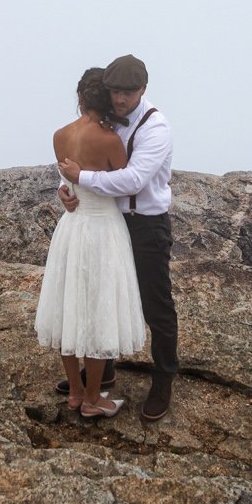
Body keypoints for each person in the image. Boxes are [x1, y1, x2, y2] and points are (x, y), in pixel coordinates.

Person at [56, 53, 177, 420]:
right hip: (108, 221)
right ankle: (102, 371)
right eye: (115, 92)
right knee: (102, 296)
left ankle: (164, 378)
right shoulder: (106, 120)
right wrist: (64, 191)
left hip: (145, 224)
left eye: (127, 93)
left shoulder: (156, 128)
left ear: (143, 89)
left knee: (156, 305)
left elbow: (133, 180)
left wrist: (81, 179)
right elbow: (78, 161)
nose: (120, 100)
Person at [34, 68, 149, 418]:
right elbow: (127, 184)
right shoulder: (110, 141)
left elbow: (69, 183)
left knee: (68, 306)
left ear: (81, 97)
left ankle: (75, 392)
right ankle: (93, 400)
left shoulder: (59, 135)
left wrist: (64, 192)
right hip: (103, 229)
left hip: (71, 226)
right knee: (99, 310)